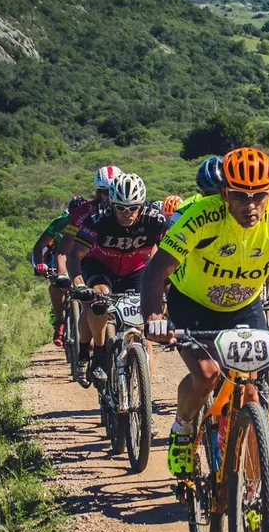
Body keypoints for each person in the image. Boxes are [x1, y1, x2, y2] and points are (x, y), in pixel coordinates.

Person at [142, 147, 269, 480]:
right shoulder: (201, 216)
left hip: (243, 306)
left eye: (259, 196)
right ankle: (183, 426)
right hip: (192, 304)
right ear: (224, 192)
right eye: (239, 197)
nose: (250, 206)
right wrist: (152, 317)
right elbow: (156, 269)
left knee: (251, 392)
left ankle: (251, 496)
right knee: (206, 375)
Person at [66, 173, 168, 387]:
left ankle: (144, 392)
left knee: (143, 330)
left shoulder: (155, 220)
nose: (126, 213)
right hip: (102, 268)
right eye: (120, 207)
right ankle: (101, 352)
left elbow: (168, 255)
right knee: (99, 297)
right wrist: (79, 285)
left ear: (142, 204)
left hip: (136, 270)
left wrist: (170, 289)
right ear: (111, 203)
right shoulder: (98, 219)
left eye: (132, 208)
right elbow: (75, 255)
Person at [55, 165, 121, 368]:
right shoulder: (83, 213)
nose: (108, 197)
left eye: (112, 191)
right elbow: (65, 249)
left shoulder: (125, 211)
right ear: (97, 192)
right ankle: (85, 350)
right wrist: (63, 273)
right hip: (86, 264)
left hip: (116, 264)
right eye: (104, 192)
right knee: (90, 305)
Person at [31, 196, 89, 346]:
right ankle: (59, 323)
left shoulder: (92, 221)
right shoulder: (60, 222)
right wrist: (39, 265)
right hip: (59, 258)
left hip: (84, 259)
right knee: (57, 286)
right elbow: (39, 246)